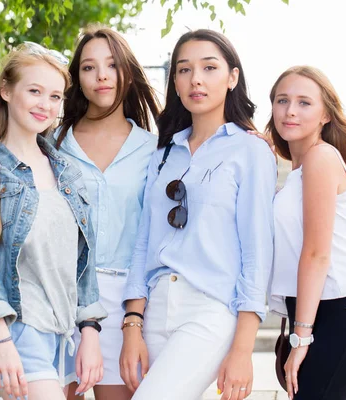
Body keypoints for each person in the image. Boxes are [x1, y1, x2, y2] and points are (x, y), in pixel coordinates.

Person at [0, 42, 107, 400]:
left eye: (55, 96)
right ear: (5, 90)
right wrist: (0, 339)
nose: (45, 105)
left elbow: (84, 262)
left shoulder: (67, 171)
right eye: (34, 91)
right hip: (18, 332)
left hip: (64, 334)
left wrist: (90, 332)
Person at [120, 29, 277, 400]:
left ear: (232, 77)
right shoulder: (163, 154)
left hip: (210, 309)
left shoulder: (251, 151)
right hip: (156, 307)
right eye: (184, 70)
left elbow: (258, 253)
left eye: (209, 68)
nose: (196, 80)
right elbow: (144, 240)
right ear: (174, 81)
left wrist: (242, 348)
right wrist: (133, 325)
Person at [52, 26, 161, 400]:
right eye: (88, 67)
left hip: (123, 300)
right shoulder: (52, 145)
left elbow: (153, 238)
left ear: (127, 72)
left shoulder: (154, 149)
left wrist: (135, 317)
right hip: (60, 295)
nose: (101, 75)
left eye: (111, 65)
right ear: (76, 79)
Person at [267, 66, 346, 400]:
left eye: (304, 103)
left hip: (340, 311)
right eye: (282, 100)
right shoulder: (298, 172)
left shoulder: (321, 157)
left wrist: (301, 337)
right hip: (323, 313)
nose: (290, 110)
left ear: (326, 114)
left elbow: (317, 253)